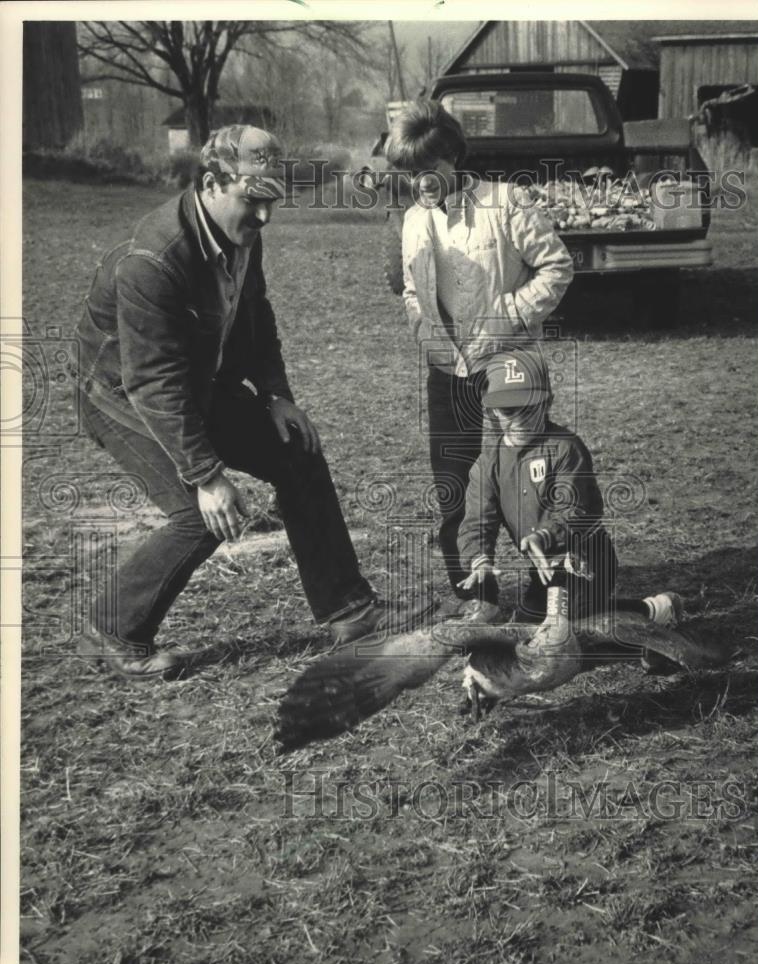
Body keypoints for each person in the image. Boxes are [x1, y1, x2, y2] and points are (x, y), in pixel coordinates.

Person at [70, 124, 411, 680]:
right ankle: (110, 631)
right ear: (211, 183)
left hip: (197, 382)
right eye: (254, 201)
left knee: (295, 450)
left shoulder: (243, 233)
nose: (265, 218)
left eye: (273, 201)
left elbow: (256, 318)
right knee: (200, 517)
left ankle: (349, 610)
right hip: (123, 396)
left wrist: (276, 396)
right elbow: (152, 381)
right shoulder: (151, 260)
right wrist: (206, 474)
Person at [383, 100, 574, 622]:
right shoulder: (413, 220)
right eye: (408, 174)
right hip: (448, 371)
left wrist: (507, 316)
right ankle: (475, 596)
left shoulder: (506, 202)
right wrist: (424, 330)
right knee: (454, 482)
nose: (420, 183)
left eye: (428, 170)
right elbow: (408, 285)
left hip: (509, 362)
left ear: (454, 155)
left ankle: (549, 592)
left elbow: (557, 266)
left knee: (526, 479)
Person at [456, 348, 683, 633]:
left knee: (575, 623)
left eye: (529, 408)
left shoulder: (566, 447)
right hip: (544, 568)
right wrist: (479, 558)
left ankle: (653, 612)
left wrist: (545, 535)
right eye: (508, 410)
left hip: (586, 557)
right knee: (530, 631)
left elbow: (573, 508)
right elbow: (477, 521)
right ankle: (633, 616)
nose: (519, 419)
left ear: (548, 402)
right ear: (491, 410)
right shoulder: (488, 463)